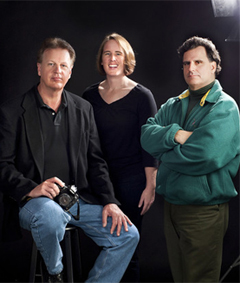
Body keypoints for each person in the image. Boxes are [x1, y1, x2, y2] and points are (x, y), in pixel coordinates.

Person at [0, 37, 140, 283]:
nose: (58, 71)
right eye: (51, 64)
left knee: (128, 235)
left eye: (64, 66)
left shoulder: (83, 109)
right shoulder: (12, 112)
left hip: (77, 201)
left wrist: (110, 201)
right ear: (39, 68)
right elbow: (2, 165)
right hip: (34, 204)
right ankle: (56, 274)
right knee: (51, 214)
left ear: (71, 71)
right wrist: (32, 188)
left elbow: (96, 161)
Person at [140, 36, 240, 282]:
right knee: (181, 277)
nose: (190, 68)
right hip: (172, 207)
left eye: (198, 62)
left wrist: (163, 152)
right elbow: (145, 136)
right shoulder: (175, 104)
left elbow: (205, 155)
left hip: (203, 212)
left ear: (214, 65)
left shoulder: (224, 108)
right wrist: (176, 134)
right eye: (186, 63)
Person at [82, 33, 158, 282]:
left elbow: (149, 146)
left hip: (132, 181)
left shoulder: (142, 96)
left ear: (126, 59)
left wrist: (150, 185)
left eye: (118, 53)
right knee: (100, 249)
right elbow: (83, 144)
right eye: (107, 53)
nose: (112, 58)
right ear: (101, 60)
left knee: (128, 248)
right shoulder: (89, 96)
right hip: (98, 183)